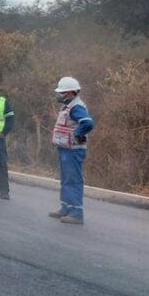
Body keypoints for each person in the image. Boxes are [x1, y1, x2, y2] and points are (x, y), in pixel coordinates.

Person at [49, 76, 95, 225]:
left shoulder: (77, 107)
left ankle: (76, 213)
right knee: (65, 180)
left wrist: (77, 134)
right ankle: (66, 207)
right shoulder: (68, 106)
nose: (59, 95)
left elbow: (88, 123)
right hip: (66, 149)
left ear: (69, 93)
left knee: (73, 180)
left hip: (74, 151)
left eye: (61, 92)